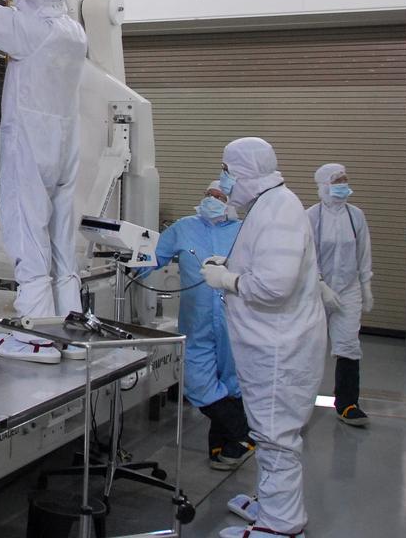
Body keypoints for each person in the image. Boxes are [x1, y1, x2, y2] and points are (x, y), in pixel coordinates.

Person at [0, 0, 88, 364]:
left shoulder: (30, 32)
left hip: (30, 147)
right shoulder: (74, 33)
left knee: (27, 230)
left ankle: (36, 336)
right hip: (64, 149)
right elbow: (37, 6)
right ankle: (71, 330)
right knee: (60, 240)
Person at [201, 137, 325, 538]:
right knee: (269, 431)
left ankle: (281, 525)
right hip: (272, 345)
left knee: (275, 437)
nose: (223, 178)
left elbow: (274, 286)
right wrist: (231, 263)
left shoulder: (279, 209)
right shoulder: (268, 205)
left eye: (226, 170)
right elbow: (267, 262)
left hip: (279, 350)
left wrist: (228, 279)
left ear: (245, 171)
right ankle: (273, 504)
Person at [150, 181, 252, 470]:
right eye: (209, 194)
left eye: (220, 196)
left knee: (232, 385)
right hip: (196, 323)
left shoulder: (245, 231)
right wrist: (126, 258)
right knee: (197, 384)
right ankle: (245, 433)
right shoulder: (184, 227)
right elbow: (153, 257)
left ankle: (223, 448)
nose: (212, 199)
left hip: (235, 322)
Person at [307, 163, 373, 427]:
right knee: (308, 345)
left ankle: (347, 403)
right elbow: (307, 256)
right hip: (315, 290)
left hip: (348, 289)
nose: (343, 185)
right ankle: (300, 401)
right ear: (324, 185)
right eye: (337, 181)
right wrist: (320, 284)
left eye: (345, 180)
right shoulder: (311, 216)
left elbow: (363, 252)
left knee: (348, 345)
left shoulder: (355, 216)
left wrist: (366, 285)